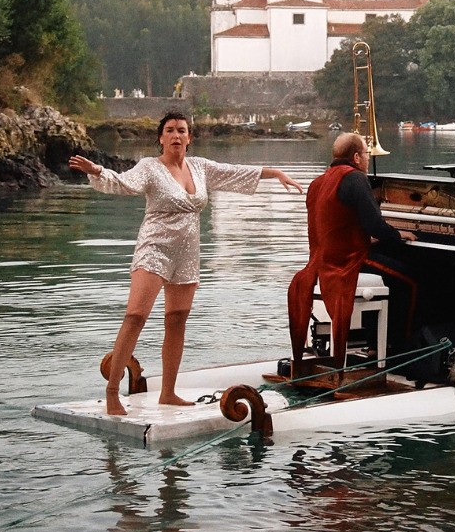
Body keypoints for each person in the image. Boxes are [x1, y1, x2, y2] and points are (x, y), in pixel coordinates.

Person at [69, 111, 302, 415]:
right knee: (136, 316)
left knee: (177, 321)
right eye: (170, 130)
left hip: (188, 254)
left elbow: (235, 172)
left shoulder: (200, 167)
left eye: (182, 130)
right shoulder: (149, 168)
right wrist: (98, 171)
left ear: (190, 138)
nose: (176, 135)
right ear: (161, 138)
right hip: (155, 249)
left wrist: (275, 173)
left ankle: (168, 392)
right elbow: (124, 184)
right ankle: (112, 391)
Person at [287, 132, 416, 372]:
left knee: (388, 272)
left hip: (319, 262)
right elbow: (374, 225)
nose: (367, 159)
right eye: (366, 154)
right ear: (356, 157)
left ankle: (372, 345)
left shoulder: (317, 182)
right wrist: (399, 234)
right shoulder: (355, 178)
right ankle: (397, 350)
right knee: (409, 281)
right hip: (346, 262)